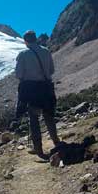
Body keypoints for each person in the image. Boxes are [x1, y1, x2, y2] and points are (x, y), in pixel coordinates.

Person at [15, 30, 63, 160]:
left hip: (32, 89)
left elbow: (18, 74)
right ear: (35, 39)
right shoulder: (46, 51)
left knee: (34, 119)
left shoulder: (23, 54)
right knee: (49, 115)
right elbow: (52, 70)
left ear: (25, 41)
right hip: (46, 87)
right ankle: (56, 141)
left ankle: (39, 150)